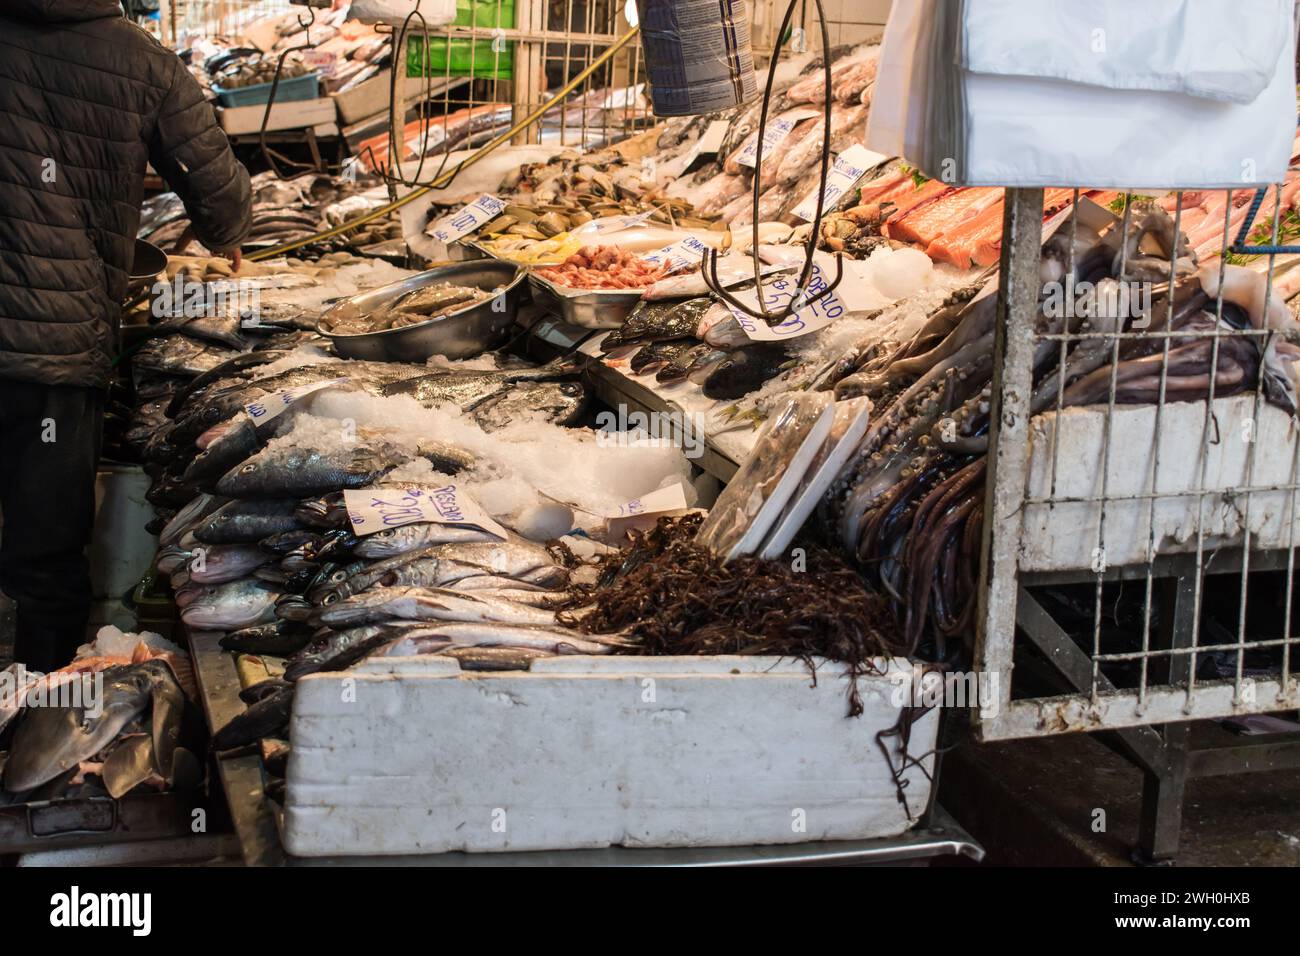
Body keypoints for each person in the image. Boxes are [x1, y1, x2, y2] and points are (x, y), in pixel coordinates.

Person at [0, 0, 253, 672]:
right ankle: (40, 718)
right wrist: (224, 236)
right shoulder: (143, 60)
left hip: (45, 343)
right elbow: (220, 196)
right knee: (45, 549)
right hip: (53, 354)